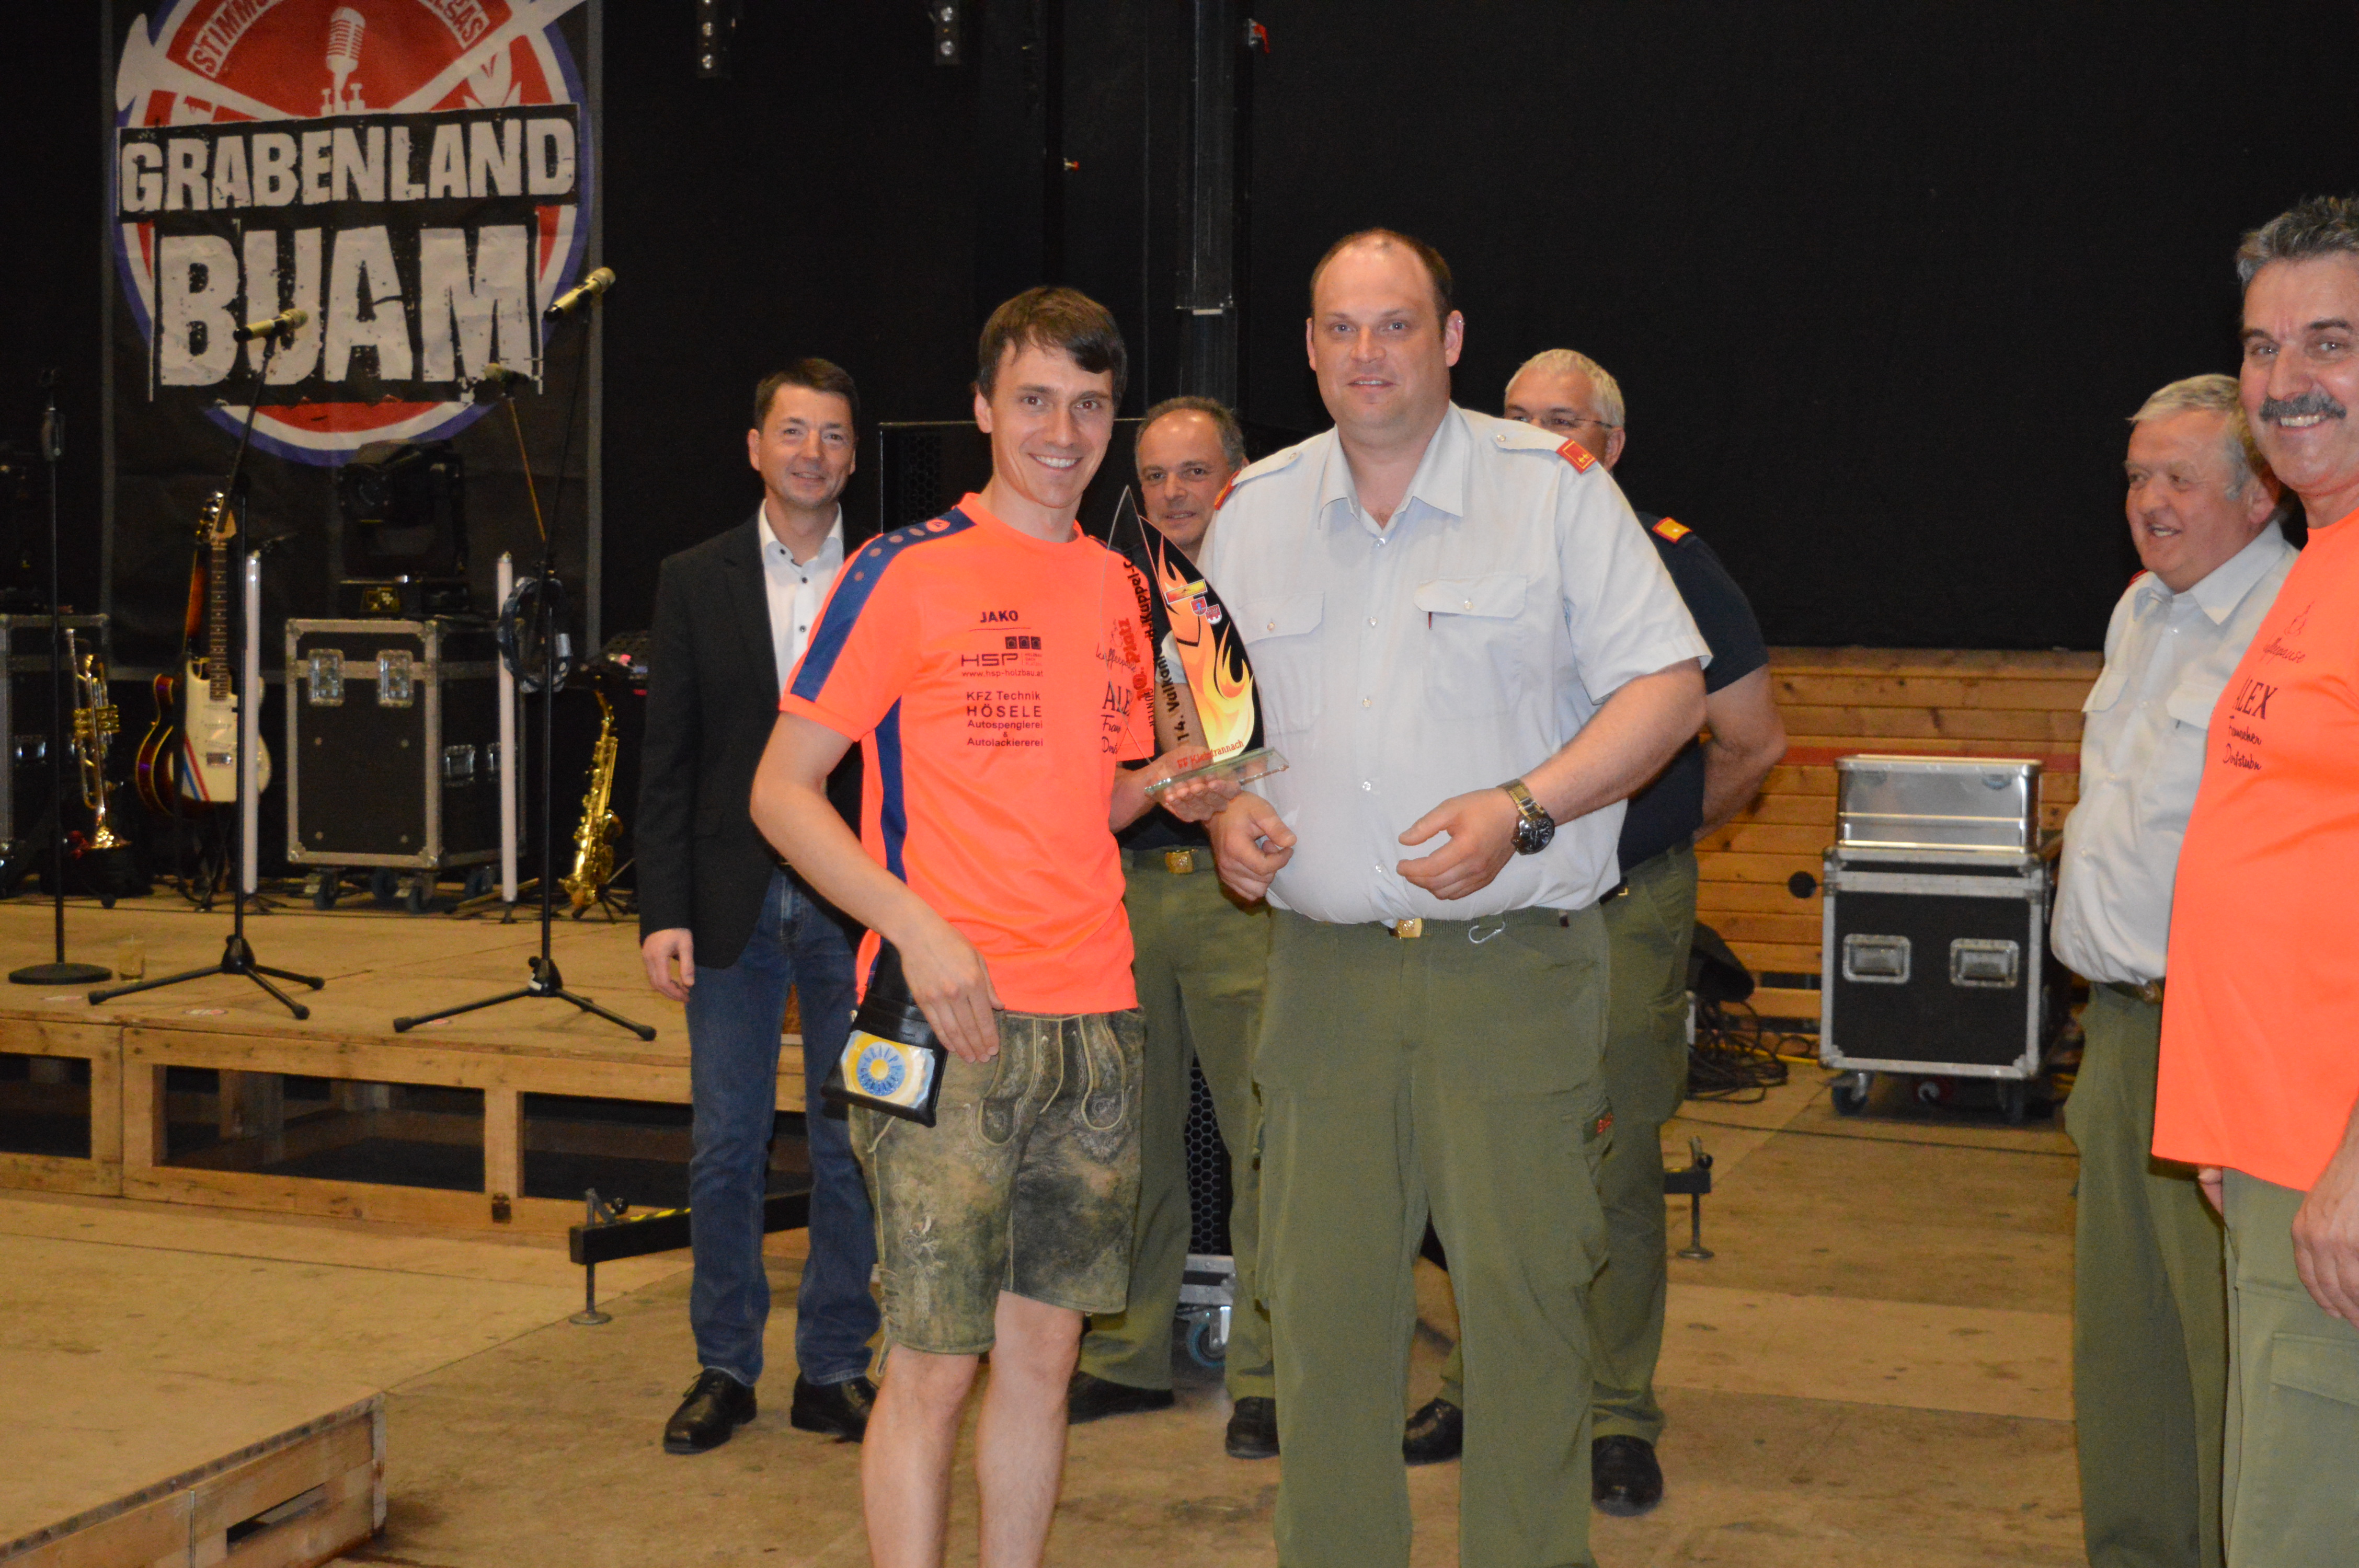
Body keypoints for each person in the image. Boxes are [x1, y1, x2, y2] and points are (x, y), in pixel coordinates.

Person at [1204, 229, 1710, 1568]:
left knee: (1530, 1304)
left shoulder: (1551, 494)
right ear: (1309, 348)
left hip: (1513, 969)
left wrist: (1526, 807)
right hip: (1324, 983)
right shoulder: (1254, 512)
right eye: (1342, 327)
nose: (1368, 353)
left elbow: (1669, 690)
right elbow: (1211, 719)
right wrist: (1226, 811)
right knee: (1320, 1314)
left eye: (1396, 325)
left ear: (1451, 339)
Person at [750, 287, 1223, 1568]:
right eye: (1035, 401)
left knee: (1043, 1356)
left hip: (1097, 1023)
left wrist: (1178, 782)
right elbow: (782, 791)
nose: (1062, 433)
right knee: (932, 1365)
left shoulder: (1121, 587)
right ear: (982, 410)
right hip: (944, 1021)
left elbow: (1094, 795)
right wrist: (916, 928)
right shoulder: (901, 572)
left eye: (1089, 405)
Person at [1398, 349, 1786, 1519]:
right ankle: (1483, 1383)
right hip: (1491, 915)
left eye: (1562, 420)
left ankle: (1616, 1413)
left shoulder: (1672, 563)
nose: (1535, 437)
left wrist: (1646, 840)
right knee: (1483, 1165)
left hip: (1621, 912)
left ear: (1611, 446)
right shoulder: (1459, 551)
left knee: (1611, 1166)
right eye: (1515, 416)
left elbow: (1752, 742)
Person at [2054, 374, 2292, 1568]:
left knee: (2228, 1344)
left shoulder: (2295, 623)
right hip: (2118, 1031)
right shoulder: (2142, 610)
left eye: (2180, 478)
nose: (2150, 501)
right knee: (2126, 1341)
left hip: (2226, 1035)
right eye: (2137, 477)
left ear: (2260, 496)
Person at [2156, 196, 2359, 1561]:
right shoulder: (2325, 554)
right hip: (2284, 1150)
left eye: (2330, 342)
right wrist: (2233, 1116)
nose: (2288, 381)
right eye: (2263, 346)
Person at [640, 360, 880, 1455]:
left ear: (854, 456)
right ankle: (724, 1369)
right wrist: (664, 909)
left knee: (851, 1143)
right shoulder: (695, 578)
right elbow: (671, 758)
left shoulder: (890, 576)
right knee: (726, 1146)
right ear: (755, 447)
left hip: (854, 904)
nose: (811, 454)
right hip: (728, 903)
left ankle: (833, 1368)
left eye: (832, 435)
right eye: (793, 432)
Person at [1066, 396, 1280, 1460]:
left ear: (1235, 476)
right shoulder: (1107, 595)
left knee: (1263, 1139)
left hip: (1244, 895)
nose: (1173, 493)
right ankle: (1126, 1355)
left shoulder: (1278, 588)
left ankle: (1269, 1373)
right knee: (1130, 1135)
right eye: (1154, 476)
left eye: (1195, 472)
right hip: (1130, 890)